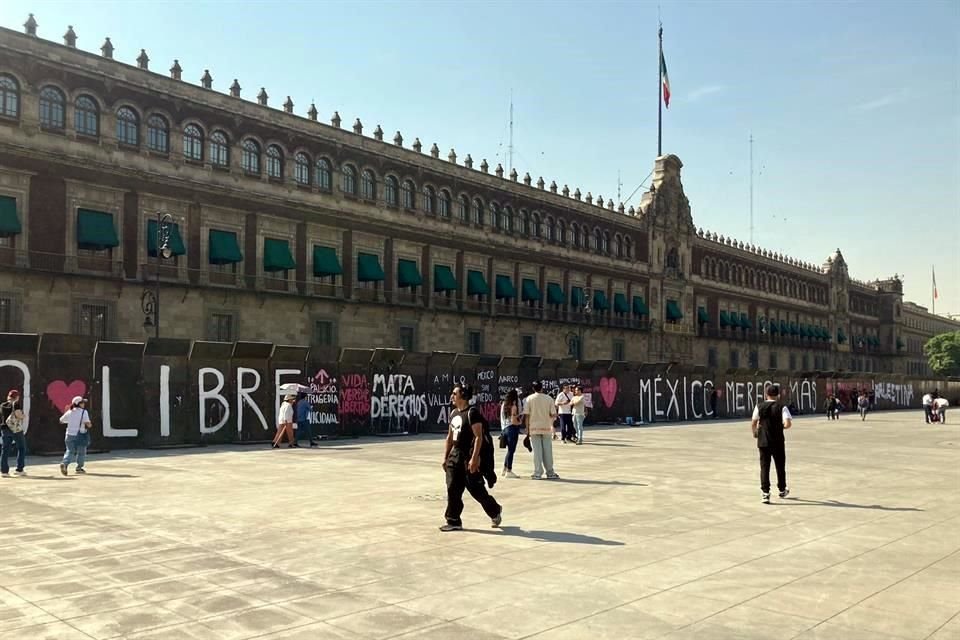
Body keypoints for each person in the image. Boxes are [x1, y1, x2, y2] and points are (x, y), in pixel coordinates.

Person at [440, 384, 502, 531]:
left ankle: (495, 510)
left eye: (454, 394)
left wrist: (474, 459)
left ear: (463, 395)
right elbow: (450, 437)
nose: (452, 396)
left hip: (468, 456)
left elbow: (479, 437)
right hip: (455, 455)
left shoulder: (472, 413)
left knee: (476, 490)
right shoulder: (454, 413)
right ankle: (453, 520)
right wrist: (446, 457)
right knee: (452, 488)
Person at [751, 384, 792, 504]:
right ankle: (782, 489)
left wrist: (755, 433)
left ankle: (765, 493)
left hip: (763, 441)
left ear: (766, 394)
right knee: (780, 466)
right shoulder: (782, 407)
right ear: (778, 395)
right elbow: (788, 424)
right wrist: (781, 427)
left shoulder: (759, 406)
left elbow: (753, 422)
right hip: (778, 441)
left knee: (764, 467)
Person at [525, 381, 559, 480]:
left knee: (537, 452)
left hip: (534, 428)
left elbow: (527, 415)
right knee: (548, 451)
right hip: (546, 427)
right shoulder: (549, 398)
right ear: (542, 388)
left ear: (533, 388)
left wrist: (527, 429)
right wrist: (550, 424)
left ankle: (537, 473)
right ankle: (550, 472)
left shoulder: (529, 399)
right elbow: (553, 414)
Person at [59, 396, 92, 476]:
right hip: (80, 435)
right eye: (82, 402)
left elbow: (61, 421)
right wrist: (89, 425)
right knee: (81, 452)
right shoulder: (84, 412)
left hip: (69, 435)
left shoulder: (70, 412)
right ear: (79, 404)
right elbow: (88, 424)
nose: (84, 404)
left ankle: (65, 463)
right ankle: (79, 468)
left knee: (70, 451)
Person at [1, 389, 27, 477]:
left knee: (5, 450)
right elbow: (18, 414)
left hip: (5, 429)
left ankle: (4, 471)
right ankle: (19, 469)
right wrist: (23, 416)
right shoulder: (15, 404)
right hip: (15, 429)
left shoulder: (2, 405)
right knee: (21, 447)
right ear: (17, 397)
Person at [500, 389, 522, 478]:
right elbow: (513, 421)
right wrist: (519, 423)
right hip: (512, 429)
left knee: (509, 450)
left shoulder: (504, 405)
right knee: (511, 450)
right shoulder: (513, 407)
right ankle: (509, 470)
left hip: (504, 428)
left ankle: (505, 468)